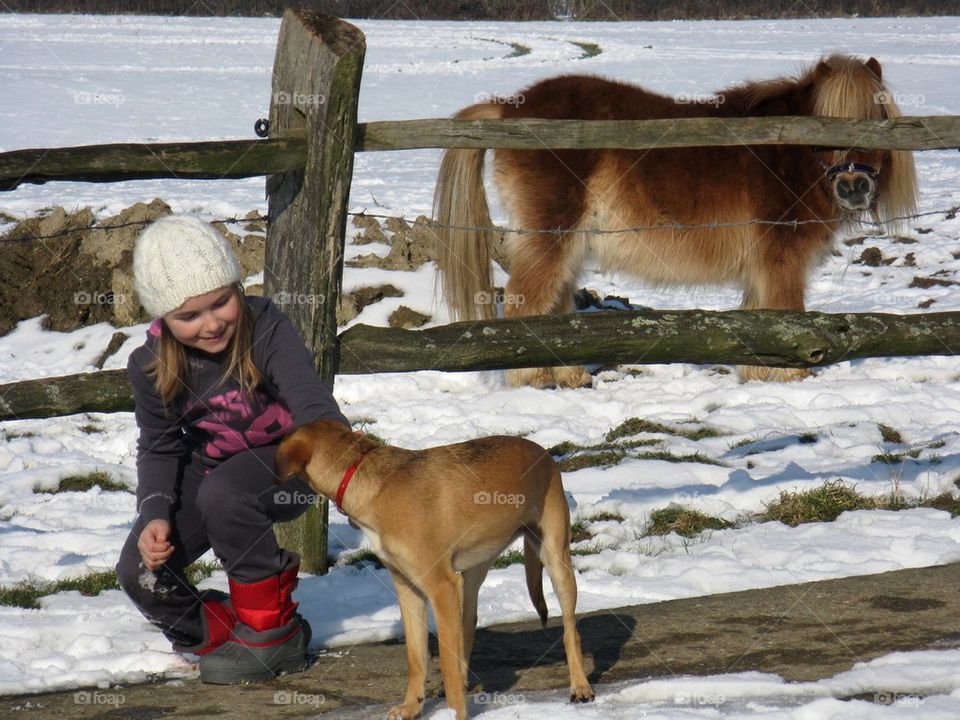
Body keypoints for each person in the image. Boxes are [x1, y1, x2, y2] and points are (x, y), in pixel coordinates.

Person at [115, 214, 349, 684]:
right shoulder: (149, 365)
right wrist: (156, 513)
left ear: (237, 289)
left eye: (220, 302)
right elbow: (158, 447)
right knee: (141, 570)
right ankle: (226, 635)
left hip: (292, 463)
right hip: (213, 473)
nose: (210, 324)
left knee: (226, 492)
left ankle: (272, 634)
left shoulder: (265, 327)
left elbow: (311, 403)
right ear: (164, 316)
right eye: (189, 316)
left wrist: (343, 464)